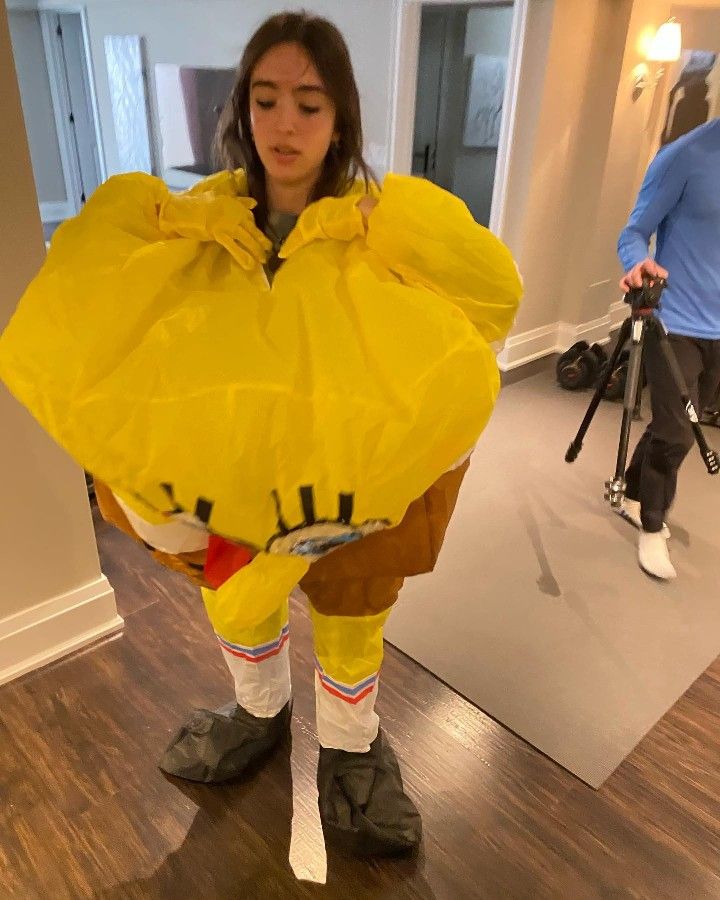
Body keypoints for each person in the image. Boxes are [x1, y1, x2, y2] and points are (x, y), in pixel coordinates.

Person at [0, 12, 521, 857]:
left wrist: (383, 228)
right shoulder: (201, 209)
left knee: (353, 608)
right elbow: (89, 262)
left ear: (341, 117)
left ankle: (352, 751)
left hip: (346, 474)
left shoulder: (377, 217)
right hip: (237, 477)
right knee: (236, 594)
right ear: (242, 106)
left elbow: (494, 294)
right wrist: (174, 225)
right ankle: (260, 710)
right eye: (267, 98)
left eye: (309, 105)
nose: (285, 124)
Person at [617, 117, 720, 580]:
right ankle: (653, 525)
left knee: (674, 418)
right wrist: (639, 261)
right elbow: (634, 231)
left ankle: (634, 492)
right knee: (680, 432)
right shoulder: (684, 156)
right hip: (673, 321)